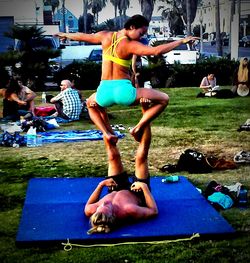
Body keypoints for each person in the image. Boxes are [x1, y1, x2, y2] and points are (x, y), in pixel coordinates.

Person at [55, 15, 198, 143]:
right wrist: (182, 41)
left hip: (103, 91)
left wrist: (65, 35)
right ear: (131, 27)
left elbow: (83, 36)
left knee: (90, 104)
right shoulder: (130, 45)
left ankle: (107, 133)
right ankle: (137, 128)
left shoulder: (105, 36)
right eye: (141, 33)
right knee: (164, 99)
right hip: (123, 92)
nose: (141, 37)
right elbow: (156, 51)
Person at [84, 101, 157, 234]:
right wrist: (145, 189)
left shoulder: (92, 210)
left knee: (112, 155)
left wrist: (101, 185)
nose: (103, 204)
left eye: (101, 205)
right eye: (106, 206)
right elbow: (153, 211)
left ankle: (102, 111)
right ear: (114, 214)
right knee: (141, 157)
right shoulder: (130, 210)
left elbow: (88, 206)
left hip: (115, 187)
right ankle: (145, 110)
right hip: (137, 192)